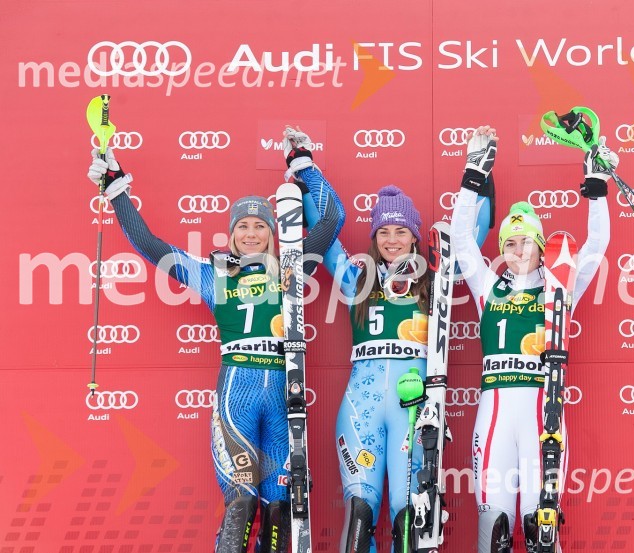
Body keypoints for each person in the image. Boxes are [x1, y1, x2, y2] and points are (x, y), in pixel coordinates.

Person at [86, 129, 344, 553]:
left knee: (282, 514)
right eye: (242, 226)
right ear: (231, 233)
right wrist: (116, 186)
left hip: (283, 399)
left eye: (260, 226)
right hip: (235, 397)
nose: (251, 233)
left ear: (273, 233)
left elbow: (332, 219)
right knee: (242, 502)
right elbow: (151, 246)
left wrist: (303, 164)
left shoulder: (292, 269)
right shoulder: (213, 275)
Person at [292, 129, 493, 553]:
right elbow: (324, 234)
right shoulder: (358, 279)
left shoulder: (433, 282)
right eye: (384, 232)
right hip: (360, 410)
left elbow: (475, 231)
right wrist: (304, 171)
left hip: (413, 412)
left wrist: (480, 166)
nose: (392, 240)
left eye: (402, 231)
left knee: (410, 515)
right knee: (360, 512)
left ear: (416, 236)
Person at [450, 126, 613, 552]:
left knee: (542, 528)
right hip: (495, 415)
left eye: (526, 243)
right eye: (509, 243)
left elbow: (596, 244)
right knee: (494, 528)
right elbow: (461, 240)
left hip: (545, 416)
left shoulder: (559, 287)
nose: (518, 250)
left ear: (542, 248)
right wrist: (472, 175)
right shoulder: (488, 286)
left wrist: (597, 188)